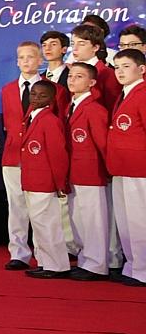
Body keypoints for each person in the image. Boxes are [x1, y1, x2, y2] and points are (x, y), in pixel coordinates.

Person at [0, 43, 49, 271]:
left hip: (39, 155)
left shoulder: (50, 88)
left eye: (31, 57)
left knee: (40, 207)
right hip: (13, 155)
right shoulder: (8, 89)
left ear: (40, 60)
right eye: (22, 57)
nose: (26, 61)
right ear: (17, 61)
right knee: (16, 206)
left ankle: (44, 253)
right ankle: (18, 253)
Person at [18, 80, 71, 279]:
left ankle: (57, 265)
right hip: (32, 180)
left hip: (44, 182)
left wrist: (59, 183)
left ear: (52, 99)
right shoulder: (31, 116)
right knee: (39, 224)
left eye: (42, 96)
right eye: (34, 94)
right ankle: (45, 261)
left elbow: (58, 154)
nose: (37, 99)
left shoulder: (50, 120)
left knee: (48, 225)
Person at [64, 63, 111, 281]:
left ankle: (97, 265)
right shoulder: (70, 106)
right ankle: (85, 260)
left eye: (79, 76)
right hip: (74, 171)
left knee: (93, 219)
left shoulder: (95, 109)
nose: (72, 80)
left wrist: (108, 170)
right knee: (78, 219)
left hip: (91, 172)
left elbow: (103, 144)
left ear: (92, 82)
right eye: (71, 76)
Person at [107, 48, 146, 287]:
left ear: (141, 69)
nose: (119, 72)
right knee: (126, 220)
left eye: (126, 67)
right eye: (117, 67)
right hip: (122, 167)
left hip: (139, 168)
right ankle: (133, 266)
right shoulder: (125, 93)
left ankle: (143, 270)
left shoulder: (142, 94)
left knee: (140, 220)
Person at [72, 23, 121, 109]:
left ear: (95, 47)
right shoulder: (73, 71)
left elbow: (113, 106)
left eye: (81, 44)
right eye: (73, 43)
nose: (75, 48)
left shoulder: (107, 73)